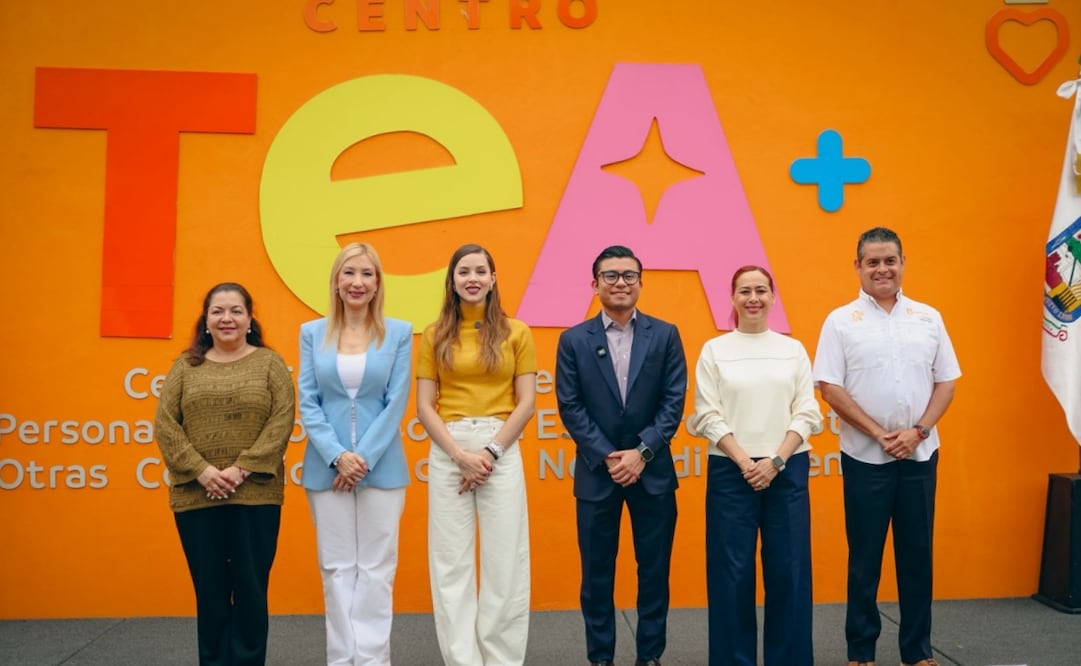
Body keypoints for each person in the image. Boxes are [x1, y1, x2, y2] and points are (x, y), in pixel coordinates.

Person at [813, 227, 961, 666]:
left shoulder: (928, 317)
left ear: (902, 263)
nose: (882, 269)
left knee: (917, 557)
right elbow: (829, 388)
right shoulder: (840, 321)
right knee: (865, 559)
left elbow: (947, 382)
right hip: (866, 459)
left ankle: (916, 651)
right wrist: (880, 435)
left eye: (889, 260)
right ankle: (861, 652)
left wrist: (918, 430)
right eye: (872, 261)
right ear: (857, 266)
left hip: (919, 454)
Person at [555, 245, 687, 666]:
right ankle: (600, 658)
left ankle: (650, 656)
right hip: (599, 474)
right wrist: (611, 456)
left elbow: (674, 400)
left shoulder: (665, 334)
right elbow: (570, 406)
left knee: (654, 572)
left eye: (629, 275)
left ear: (641, 283)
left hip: (653, 474)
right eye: (610, 276)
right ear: (594, 285)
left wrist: (642, 452)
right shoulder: (573, 340)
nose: (620, 283)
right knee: (597, 576)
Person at [686, 266, 822, 666]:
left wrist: (775, 460)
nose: (753, 298)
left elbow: (808, 412)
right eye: (744, 291)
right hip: (732, 471)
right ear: (732, 298)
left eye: (761, 290)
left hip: (788, 468)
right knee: (732, 575)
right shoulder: (715, 350)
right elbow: (707, 414)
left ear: (773, 297)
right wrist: (747, 462)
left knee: (789, 572)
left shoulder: (792, 349)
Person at [155, 282, 295, 666]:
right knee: (211, 592)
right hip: (196, 496)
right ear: (206, 321)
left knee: (251, 589)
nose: (227, 318)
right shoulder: (184, 367)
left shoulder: (269, 365)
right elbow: (166, 425)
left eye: (236, 311)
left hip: (256, 496)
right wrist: (202, 471)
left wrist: (241, 469)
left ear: (250, 318)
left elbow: (281, 422)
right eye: (218, 311)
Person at [416, 243, 537, 666]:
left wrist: (487, 453)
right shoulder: (435, 334)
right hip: (449, 446)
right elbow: (424, 406)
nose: (472, 278)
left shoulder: (516, 331)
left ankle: (501, 660)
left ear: (493, 278)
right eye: (463, 271)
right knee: (451, 565)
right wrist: (460, 456)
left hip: (499, 446)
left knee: (505, 562)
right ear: (451, 281)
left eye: (480, 271)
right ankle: (463, 660)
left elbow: (525, 403)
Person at [298, 243, 413, 666]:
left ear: (378, 282)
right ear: (336, 280)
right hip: (326, 472)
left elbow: (395, 402)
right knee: (337, 569)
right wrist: (336, 457)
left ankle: (372, 660)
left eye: (367, 274)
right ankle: (342, 659)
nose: (357, 282)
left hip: (382, 469)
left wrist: (359, 459)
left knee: (377, 570)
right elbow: (308, 401)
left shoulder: (398, 333)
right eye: (349, 273)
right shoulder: (312, 332)